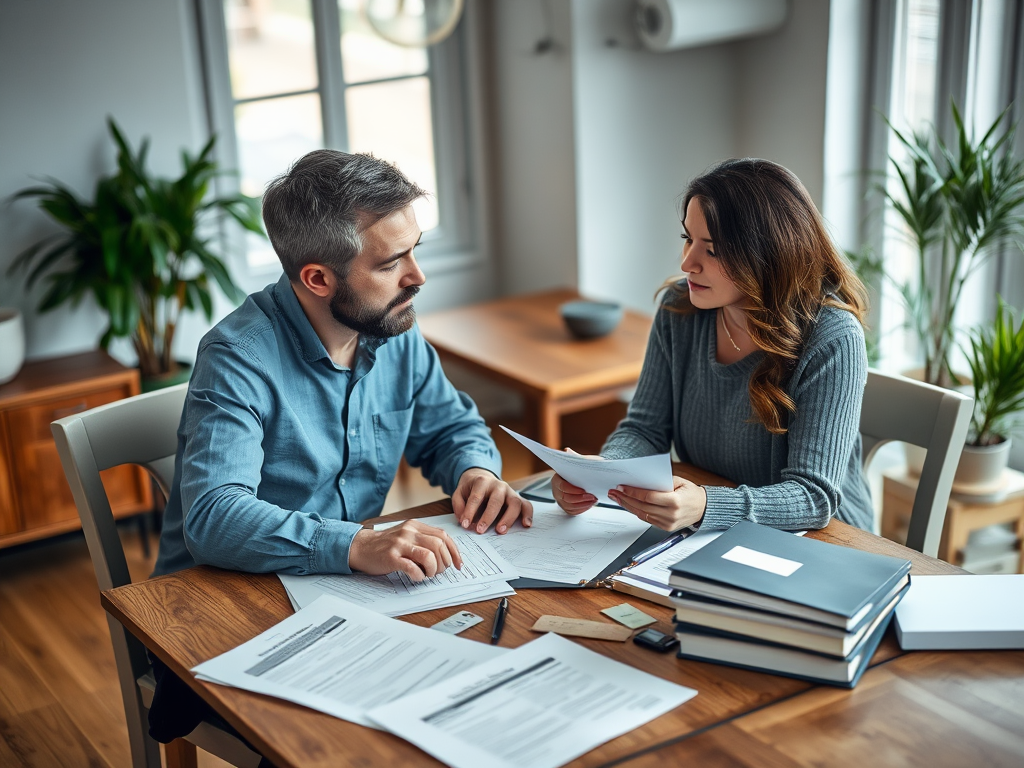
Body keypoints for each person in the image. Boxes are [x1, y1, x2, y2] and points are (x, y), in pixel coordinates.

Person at [152, 149, 533, 584]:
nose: (417, 276)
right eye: (391, 263)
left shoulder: (392, 328)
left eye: (414, 251)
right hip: (219, 601)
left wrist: (475, 471)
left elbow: (449, 427)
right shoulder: (237, 358)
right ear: (318, 279)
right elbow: (215, 517)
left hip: (342, 585)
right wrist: (353, 544)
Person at [552, 158, 873, 533]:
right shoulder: (679, 309)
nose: (688, 262)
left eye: (713, 249)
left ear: (769, 255)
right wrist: (602, 472)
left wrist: (707, 506)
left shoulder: (833, 338)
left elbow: (812, 497)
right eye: (688, 238)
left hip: (827, 541)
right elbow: (645, 429)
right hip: (718, 531)